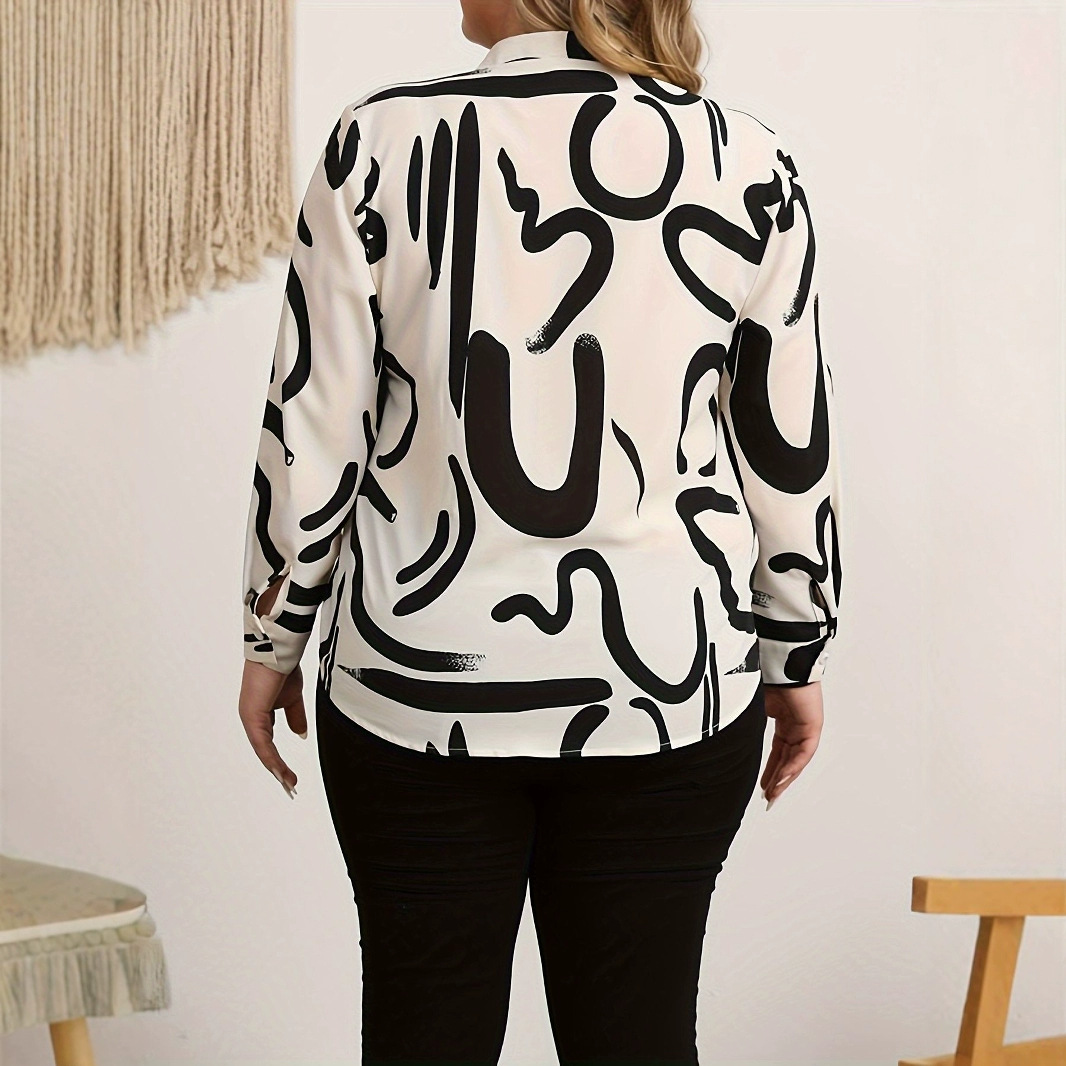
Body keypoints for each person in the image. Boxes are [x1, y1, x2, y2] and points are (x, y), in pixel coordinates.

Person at [238, 0, 843, 1061]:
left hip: (415, 689)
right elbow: (784, 446)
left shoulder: (377, 141)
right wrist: (795, 648)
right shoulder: (747, 159)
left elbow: (312, 430)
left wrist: (272, 638)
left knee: (422, 1039)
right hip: (667, 690)